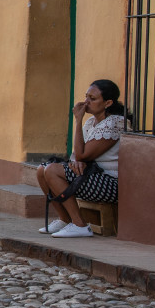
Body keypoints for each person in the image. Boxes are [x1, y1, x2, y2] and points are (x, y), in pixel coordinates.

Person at [36, 79, 126, 238]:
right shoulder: (92, 122)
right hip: (92, 175)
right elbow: (77, 155)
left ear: (108, 103)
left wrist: (78, 120)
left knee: (52, 171)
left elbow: (82, 155)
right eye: (86, 97)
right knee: (41, 170)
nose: (86, 102)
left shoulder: (114, 123)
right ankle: (65, 219)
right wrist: (76, 162)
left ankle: (79, 225)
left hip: (111, 184)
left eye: (92, 99)